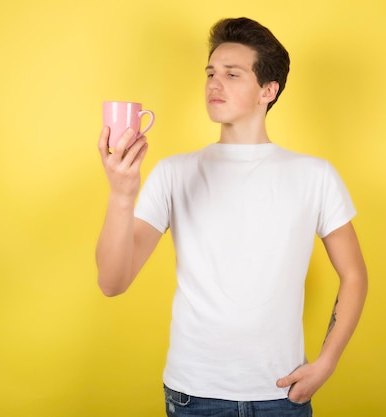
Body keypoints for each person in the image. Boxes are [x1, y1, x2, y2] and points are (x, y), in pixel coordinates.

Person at [96, 17, 368, 417]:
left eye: (232, 74)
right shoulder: (174, 172)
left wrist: (326, 364)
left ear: (268, 90)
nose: (213, 84)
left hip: (282, 394)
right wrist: (121, 194)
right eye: (210, 73)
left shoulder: (315, 175)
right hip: (194, 396)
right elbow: (112, 282)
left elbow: (355, 274)